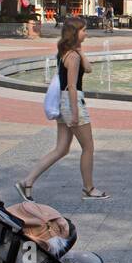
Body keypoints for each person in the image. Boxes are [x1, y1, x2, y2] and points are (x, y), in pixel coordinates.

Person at [15, 16, 109, 202]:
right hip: (72, 102)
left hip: (63, 102)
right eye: (83, 30)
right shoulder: (72, 57)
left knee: (61, 148)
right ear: (75, 33)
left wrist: (81, 51)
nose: (86, 33)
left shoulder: (67, 52)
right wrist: (74, 113)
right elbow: (72, 86)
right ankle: (89, 189)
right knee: (88, 147)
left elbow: (89, 69)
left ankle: (27, 181)